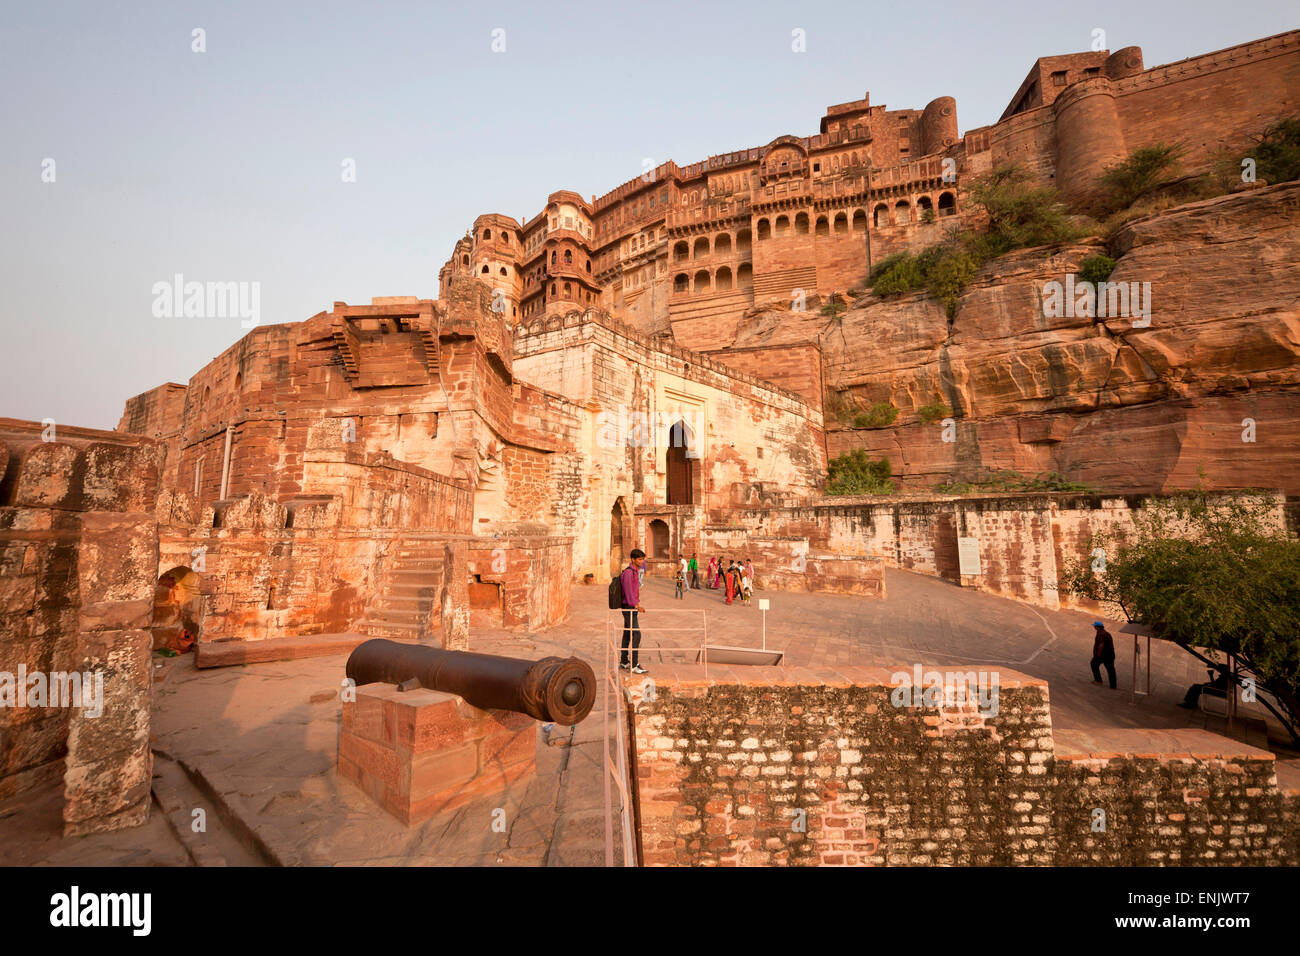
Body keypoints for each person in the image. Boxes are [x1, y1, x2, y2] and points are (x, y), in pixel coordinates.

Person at [619, 549, 648, 674]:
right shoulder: (628, 573)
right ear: (633, 559)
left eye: (642, 559)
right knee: (636, 634)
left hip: (632, 607)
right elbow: (628, 592)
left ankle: (624, 661)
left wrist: (637, 603)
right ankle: (634, 664)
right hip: (629, 608)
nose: (642, 561)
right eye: (640, 559)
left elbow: (634, 591)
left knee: (627, 634)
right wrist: (636, 606)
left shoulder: (635, 572)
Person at [1089, 621, 1116, 689]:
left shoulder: (1101, 634)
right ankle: (1113, 685)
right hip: (1110, 655)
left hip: (1102, 655)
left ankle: (1098, 680)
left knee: (1093, 664)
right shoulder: (1106, 633)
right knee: (1111, 670)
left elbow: (1101, 644)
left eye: (1095, 626)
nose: (1094, 627)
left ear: (1097, 627)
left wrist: (1098, 654)